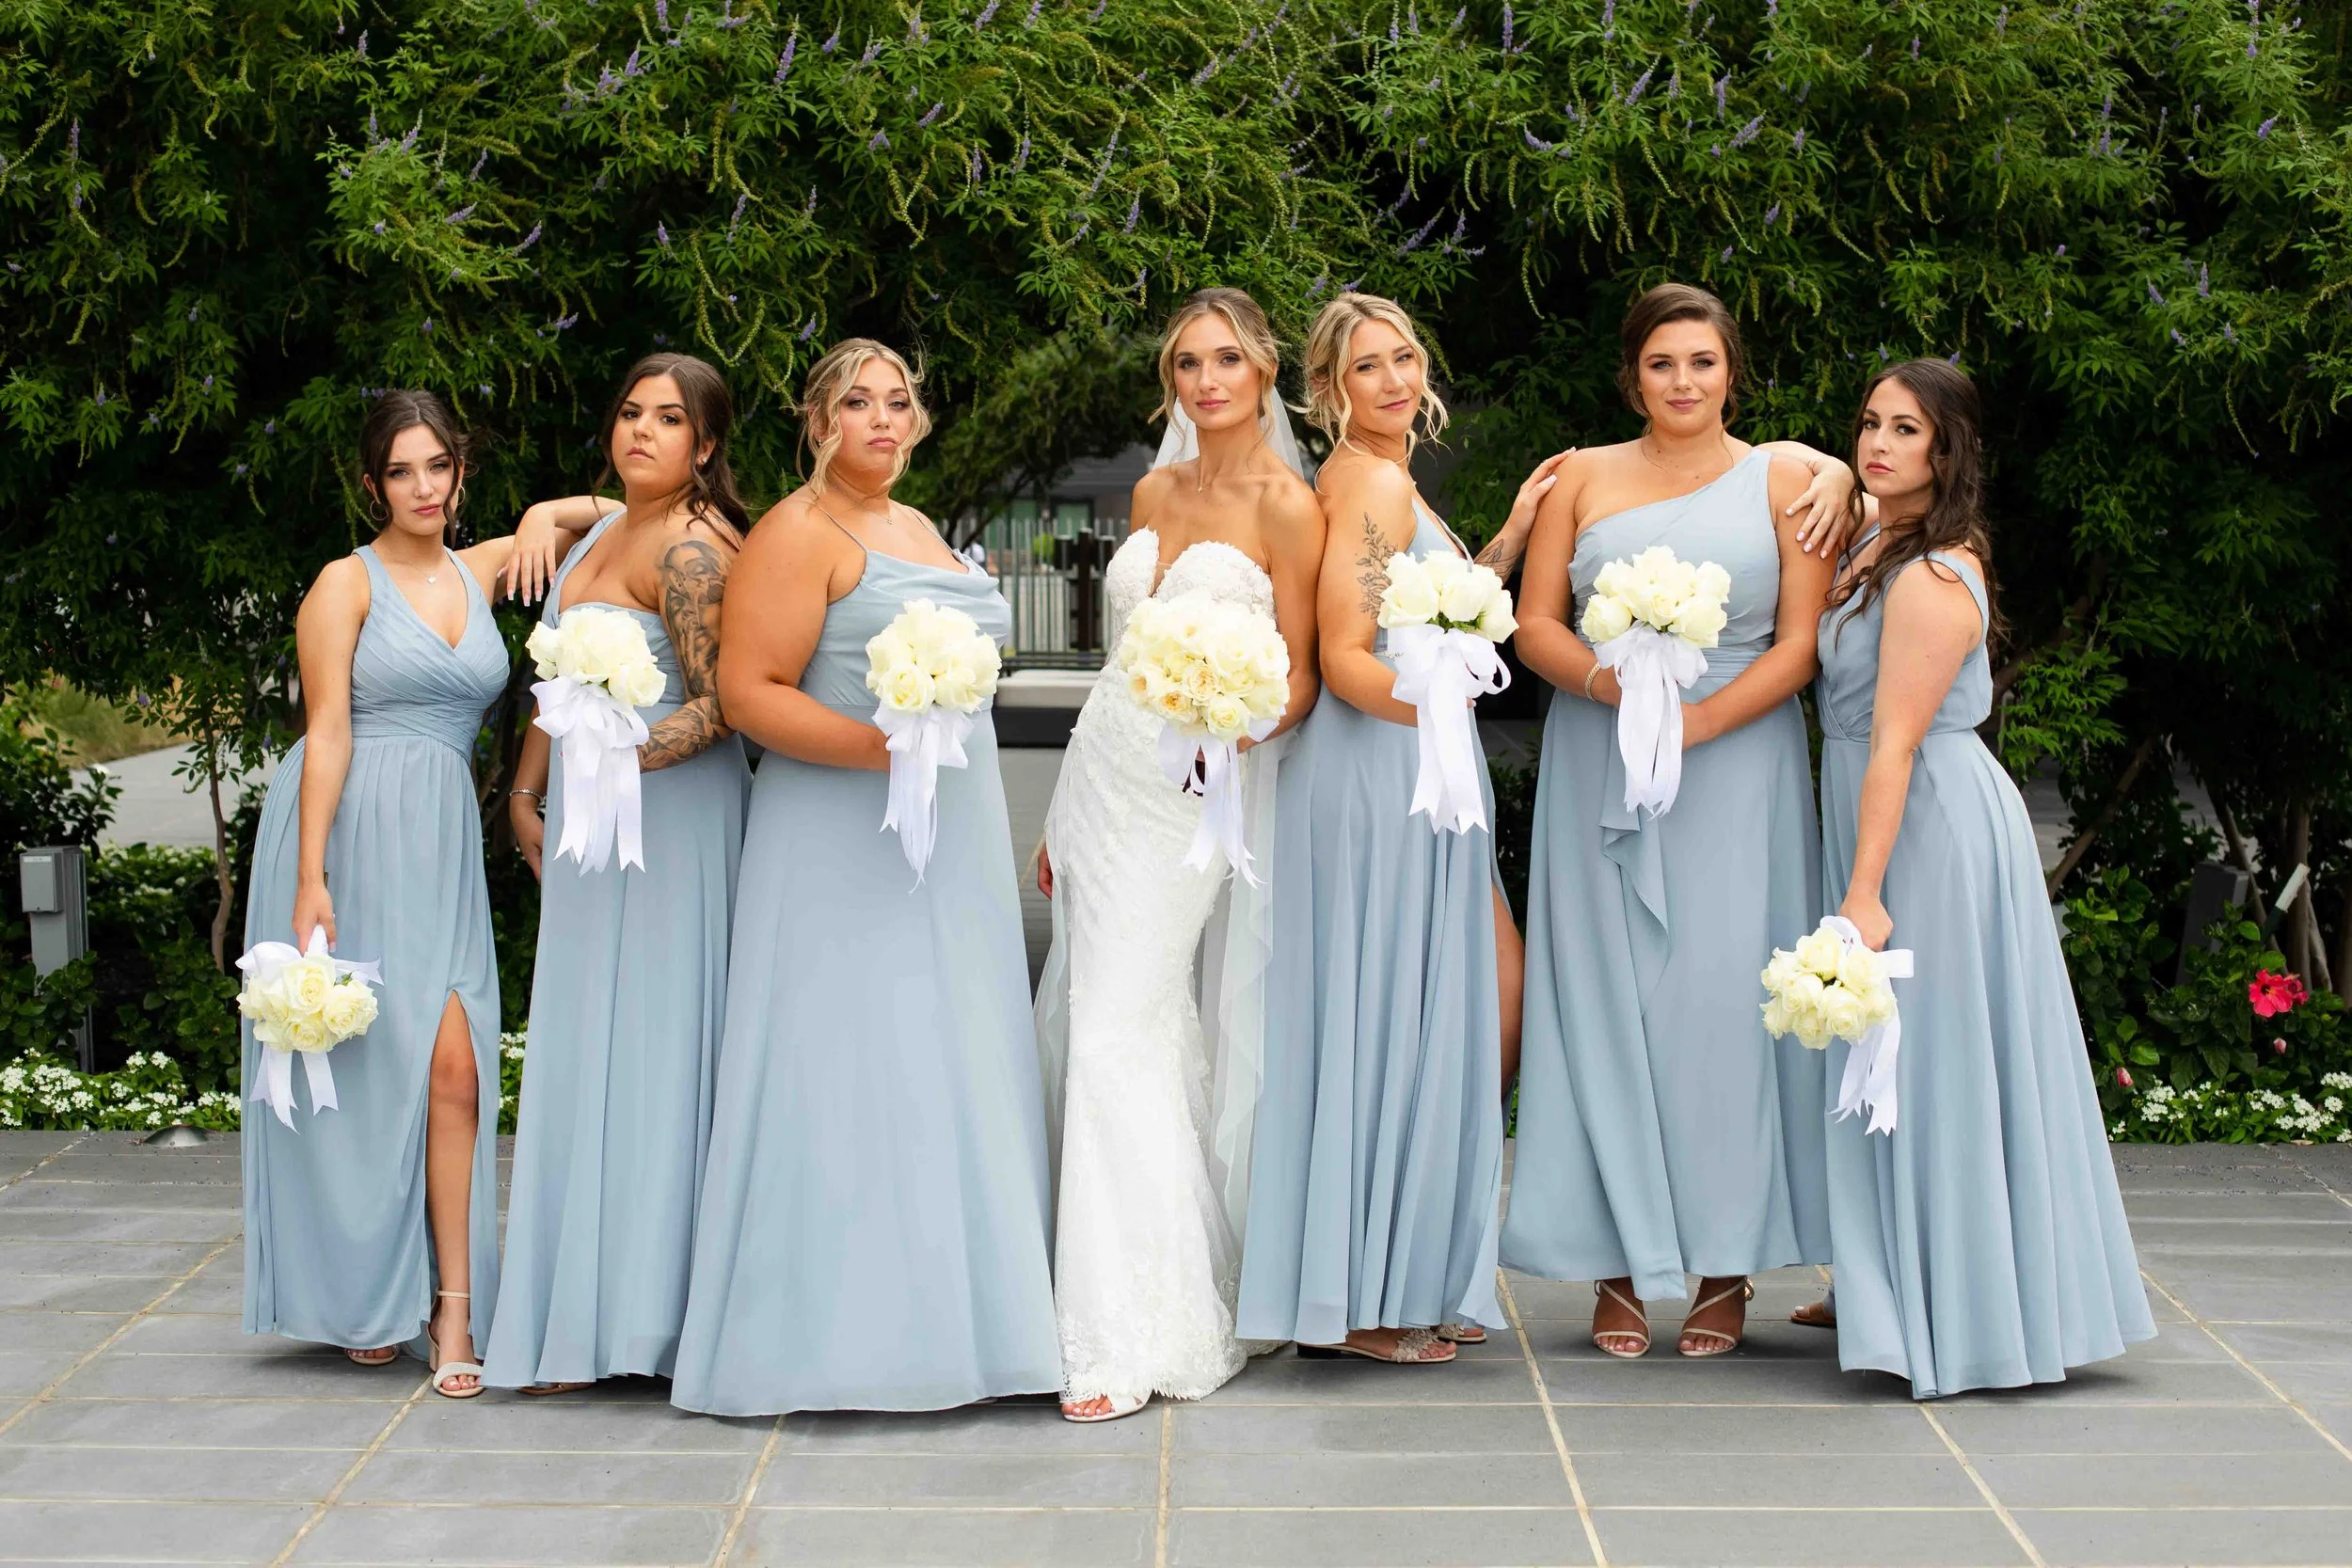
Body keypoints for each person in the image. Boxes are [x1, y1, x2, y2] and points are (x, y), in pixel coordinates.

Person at [670, 340, 1059, 1417]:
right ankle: (830, 1339)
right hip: (842, 839)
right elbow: (749, 693)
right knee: (848, 1064)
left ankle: (965, 1326)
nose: (882, 418)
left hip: (948, 842)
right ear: (817, 420)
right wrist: (889, 749)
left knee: (946, 1060)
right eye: (857, 402)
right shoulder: (798, 533)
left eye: (897, 401)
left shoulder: (920, 529)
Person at [1502, 283, 1850, 1359]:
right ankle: (1612, 1263)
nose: (1683, 382)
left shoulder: (1791, 478)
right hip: (1599, 759)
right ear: (1632, 376)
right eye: (1662, 364)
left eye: (1701, 361)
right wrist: (1617, 694)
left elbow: (1799, 641)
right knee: (1603, 1000)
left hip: (1736, 760)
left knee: (1719, 1005)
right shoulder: (1581, 476)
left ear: (1730, 372)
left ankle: (1724, 1262)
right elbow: (1532, 620)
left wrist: (1694, 726)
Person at [1810, 356, 2153, 1396]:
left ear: (1946, 449)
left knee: (1932, 1054)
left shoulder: (1930, 572)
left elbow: (1896, 745)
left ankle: (1953, 1298)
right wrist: (1838, 476)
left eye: (1904, 430)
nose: (1876, 443)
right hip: (1877, 810)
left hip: (1926, 827)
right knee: (1888, 1060)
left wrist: (1862, 893)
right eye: (1869, 423)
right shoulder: (1875, 532)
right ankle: (1887, 1270)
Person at [1232, 293, 1565, 1364]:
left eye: (1405, 357)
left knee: (1475, 987)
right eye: (1366, 366)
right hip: (1384, 766)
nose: (1392, 379)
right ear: (1328, 390)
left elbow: (1429, 612)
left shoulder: (1389, 478)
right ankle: (1368, 1299)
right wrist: (1448, 699)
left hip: (1420, 761)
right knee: (1393, 1009)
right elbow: (1344, 654)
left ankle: (1405, 1261)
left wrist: (1508, 536)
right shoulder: (1367, 477)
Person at [242, 390, 578, 1398]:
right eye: (401, 471)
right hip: (341, 828)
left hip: (437, 839)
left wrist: (535, 522)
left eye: (439, 466)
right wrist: (311, 876)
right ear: (371, 483)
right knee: (356, 1069)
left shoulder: (484, 571)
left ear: (461, 471)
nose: (423, 487)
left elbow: (606, 512)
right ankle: (363, 1289)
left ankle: (453, 1306)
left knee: (455, 1070)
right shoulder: (344, 583)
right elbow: (330, 730)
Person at [1031, 287, 1324, 1420]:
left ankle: (1125, 1330)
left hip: (1195, 796)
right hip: (1105, 778)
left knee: (1115, 1025)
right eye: (1188, 364)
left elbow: (1296, 675)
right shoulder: (1153, 488)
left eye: (1227, 362)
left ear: (1262, 372)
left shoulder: (1288, 505)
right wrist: (1060, 813)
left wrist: (1232, 728)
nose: (1206, 382)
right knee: (1115, 1024)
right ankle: (1122, 1293)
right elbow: (1118, 669)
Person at [482, 353, 751, 1394]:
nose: (642, 430)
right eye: (630, 411)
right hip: (591, 823)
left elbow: (724, 698)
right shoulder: (605, 527)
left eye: (669, 418)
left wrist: (619, 755)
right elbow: (561, 681)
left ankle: (653, 1319)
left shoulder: (690, 550)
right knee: (590, 1044)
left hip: (671, 823)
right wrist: (525, 789)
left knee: (657, 1046)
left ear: (707, 443)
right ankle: (581, 1308)